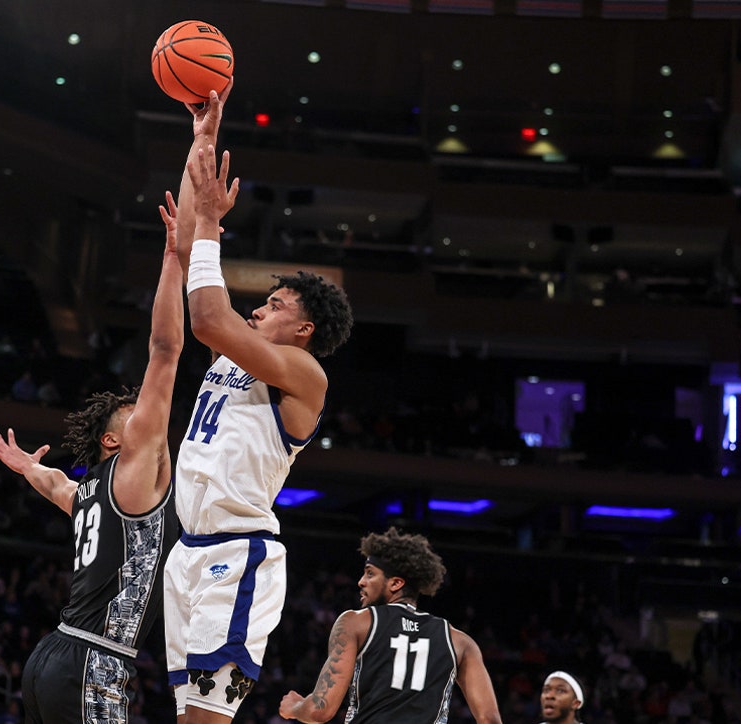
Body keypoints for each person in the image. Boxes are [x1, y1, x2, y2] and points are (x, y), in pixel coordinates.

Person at [164, 86, 355, 724]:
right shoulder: (236, 354)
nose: (258, 308)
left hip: (236, 554)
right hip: (187, 550)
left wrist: (217, 222)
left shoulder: (304, 374)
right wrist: (202, 139)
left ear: (304, 330)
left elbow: (209, 314)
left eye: (274, 306)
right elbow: (191, 256)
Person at [0, 192, 184, 724]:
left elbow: (55, 485)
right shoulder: (132, 473)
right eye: (135, 415)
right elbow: (165, 350)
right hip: (96, 658)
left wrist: (25, 466)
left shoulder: (92, 492)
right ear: (116, 443)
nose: (149, 415)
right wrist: (174, 258)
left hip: (55, 655)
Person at [278, 528, 502, 724]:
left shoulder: (355, 622)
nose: (361, 582)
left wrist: (296, 707)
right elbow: (489, 719)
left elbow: (321, 710)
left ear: (395, 583)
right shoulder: (460, 641)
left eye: (370, 573)